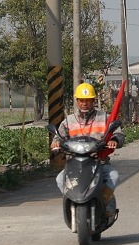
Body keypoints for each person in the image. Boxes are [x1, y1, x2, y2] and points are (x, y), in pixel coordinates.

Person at [51, 82, 124, 219]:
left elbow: (118, 133)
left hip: (99, 161)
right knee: (61, 179)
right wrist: (55, 143)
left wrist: (115, 140)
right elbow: (58, 137)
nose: (85, 103)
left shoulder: (104, 117)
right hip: (75, 164)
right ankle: (71, 202)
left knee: (114, 177)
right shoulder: (68, 121)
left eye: (88, 100)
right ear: (77, 101)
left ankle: (104, 203)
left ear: (93, 101)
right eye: (82, 100)